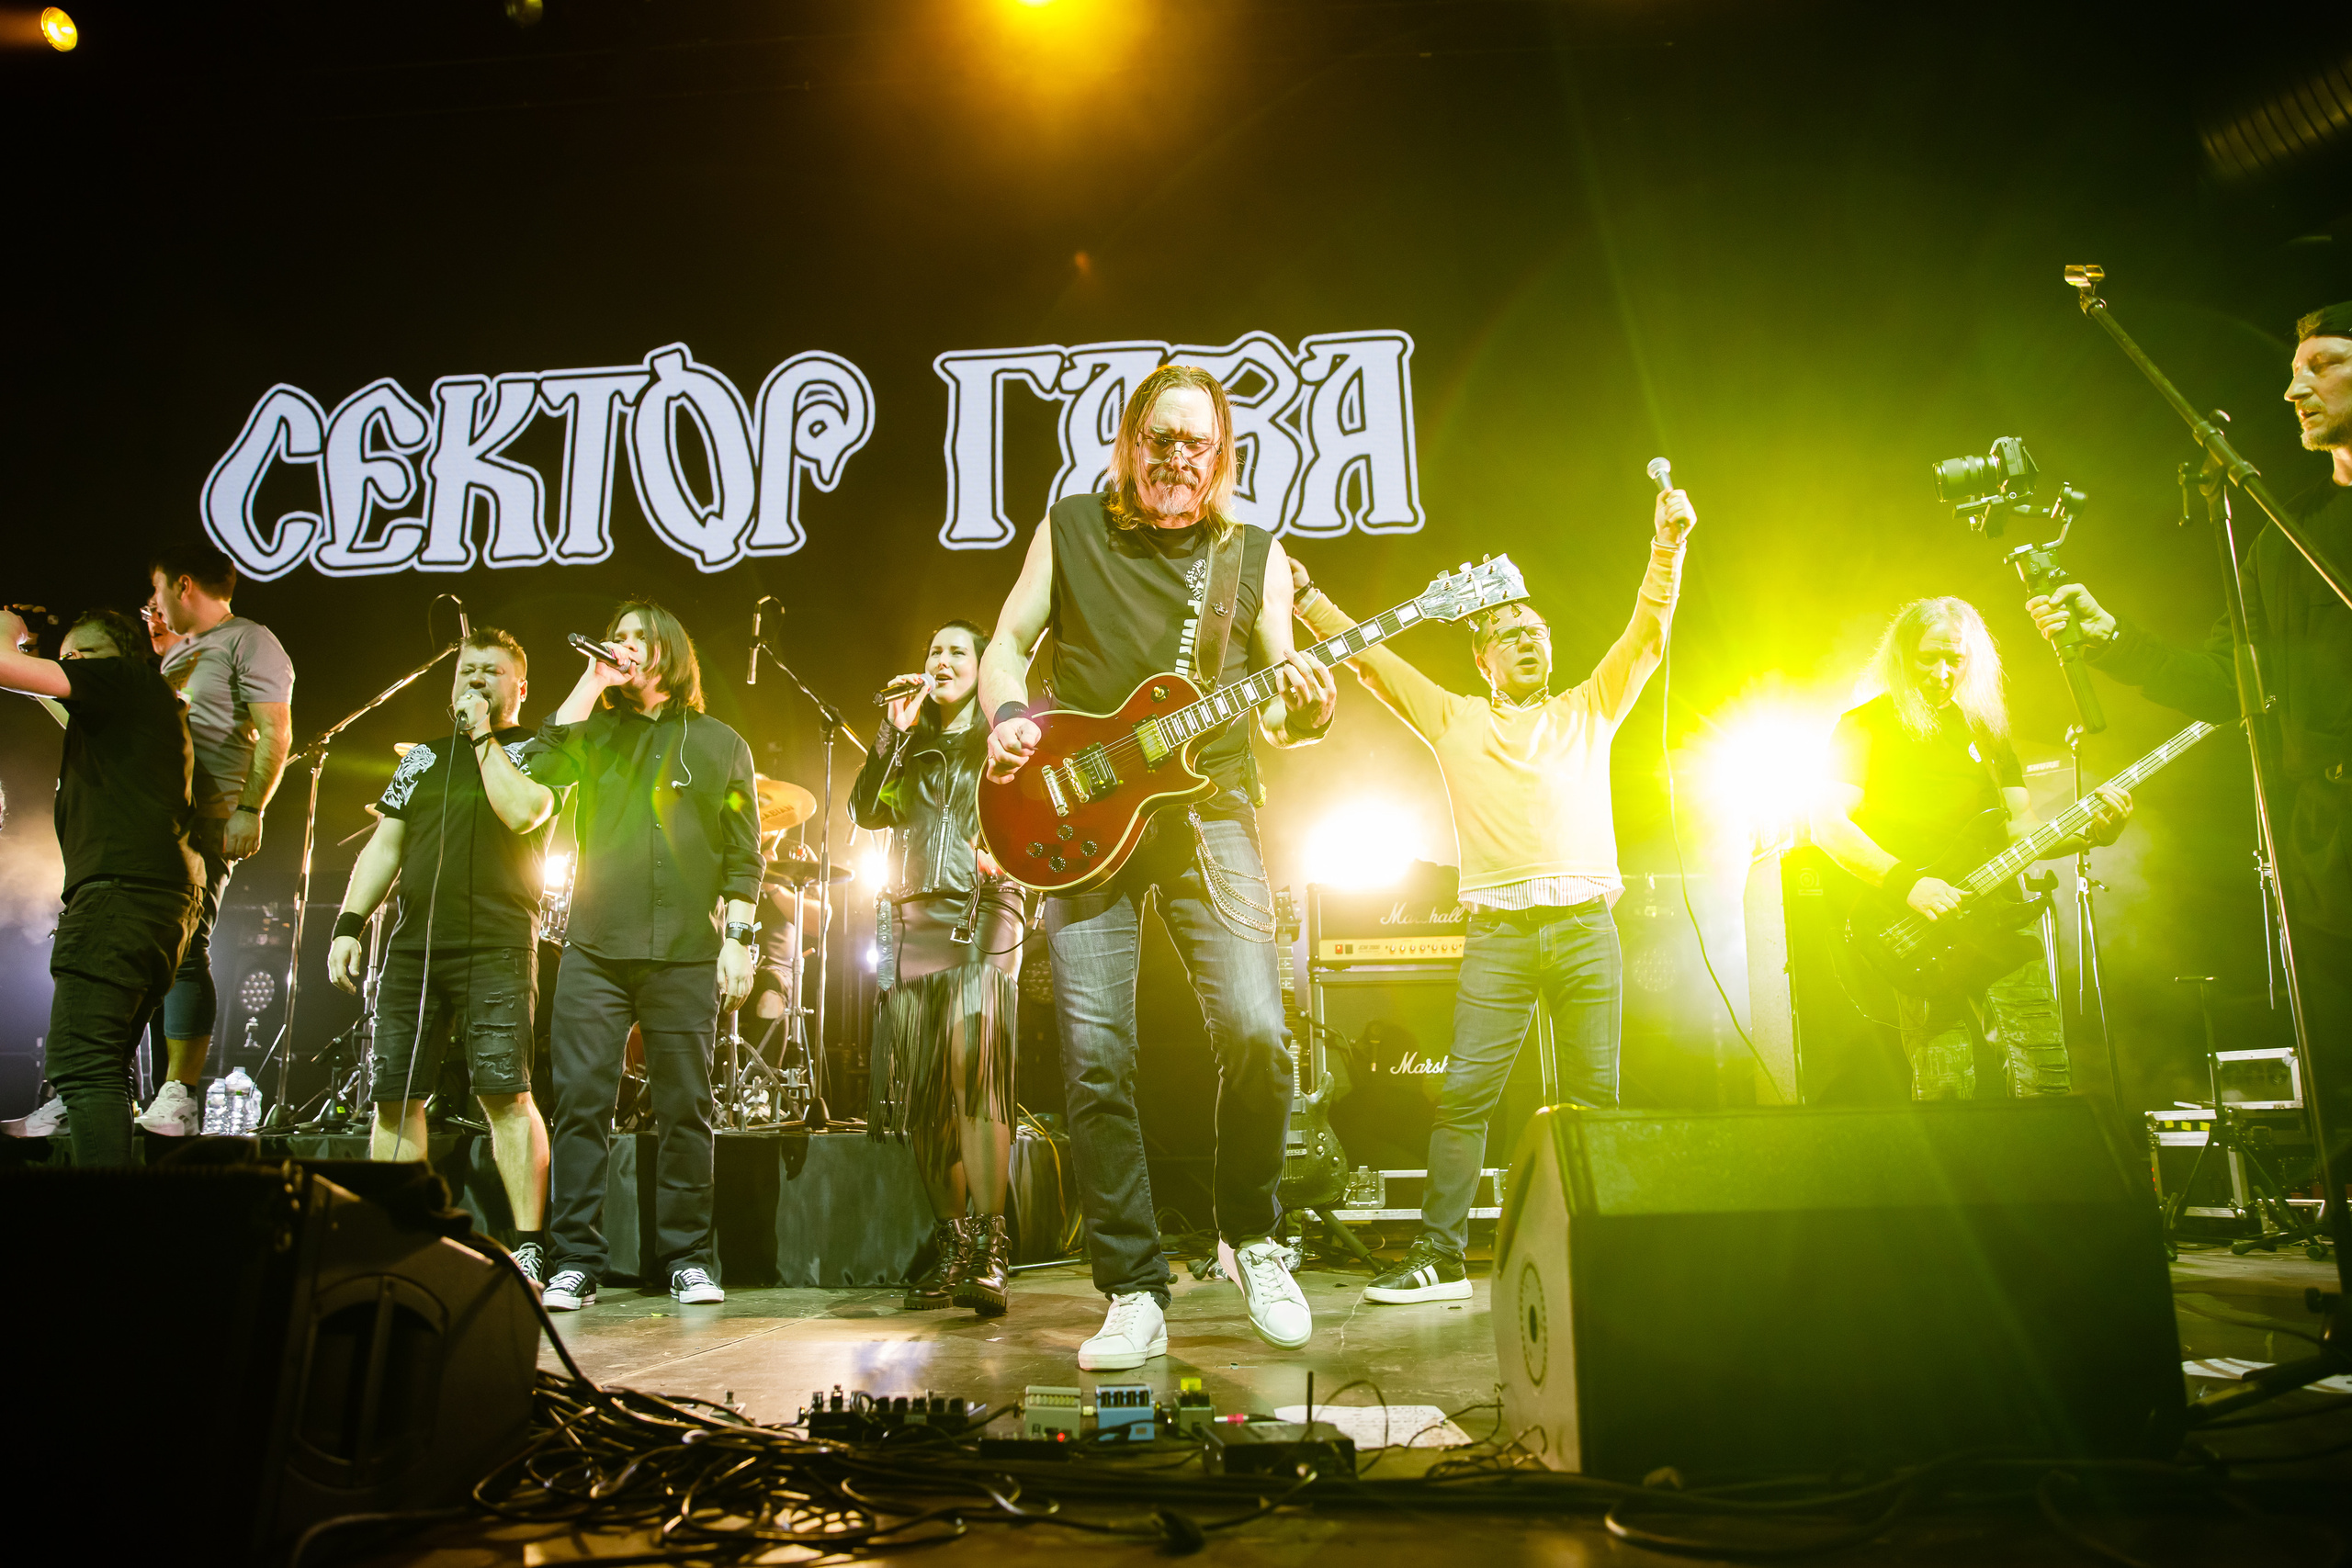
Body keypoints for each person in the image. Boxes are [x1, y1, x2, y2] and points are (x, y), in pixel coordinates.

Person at [979, 364, 1340, 1371]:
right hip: (1082, 816)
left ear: (1220, 456)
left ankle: (1252, 1234)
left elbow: (1276, 696)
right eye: (1160, 438)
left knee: (1262, 1035)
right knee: (1097, 1061)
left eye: (1198, 443)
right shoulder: (1071, 527)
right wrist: (1008, 718)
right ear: (1129, 441)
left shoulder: (1252, 554)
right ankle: (1133, 1288)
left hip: (1210, 807)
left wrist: (1308, 705)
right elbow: (1005, 645)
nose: (1178, 458)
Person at [1291, 484, 1696, 1306]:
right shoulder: (1454, 717)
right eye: (1508, 633)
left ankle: (1599, 1247)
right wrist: (1306, 600)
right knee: (1466, 1096)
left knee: (1594, 1103)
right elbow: (1371, 662)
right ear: (1484, 657)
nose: (1526, 639)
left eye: (1536, 630)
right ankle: (1439, 1256)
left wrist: (1667, 545)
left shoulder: (1591, 707)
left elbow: (1648, 636)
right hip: (1501, 937)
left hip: (1586, 928)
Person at [2028, 299, 2352, 1174]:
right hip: (2327, 843)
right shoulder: (2286, 540)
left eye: (2321, 363)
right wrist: (2113, 640)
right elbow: (2225, 685)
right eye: (2293, 369)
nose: (2295, 387)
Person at [514, 603, 763, 1311]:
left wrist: (739, 941)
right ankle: (576, 1260)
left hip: (686, 952)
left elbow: (745, 858)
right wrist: (591, 681)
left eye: (632, 638)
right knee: (582, 1104)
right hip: (594, 948)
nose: (620, 646)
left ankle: (685, 1256)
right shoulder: (592, 731)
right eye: (614, 637)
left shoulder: (720, 744)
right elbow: (536, 757)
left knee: (687, 1107)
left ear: (668, 652)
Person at [1812, 597, 2131, 1103]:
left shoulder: (1987, 730)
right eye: (1928, 657)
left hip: (2000, 918)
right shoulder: (1864, 725)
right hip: (1917, 924)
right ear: (1900, 656)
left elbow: (2021, 828)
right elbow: (1826, 824)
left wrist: (2094, 833)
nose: (1942, 672)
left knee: (2044, 1072)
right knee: (1945, 1085)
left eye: (1954, 659)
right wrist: (1908, 884)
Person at [325, 628, 557, 1282]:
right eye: (465, 671)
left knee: (504, 1092)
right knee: (395, 1095)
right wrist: (348, 923)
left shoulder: (539, 751)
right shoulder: (420, 759)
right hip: (413, 947)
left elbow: (521, 814)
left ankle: (531, 1243)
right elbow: (384, 846)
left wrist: (484, 737)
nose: (475, 680)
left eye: (491, 671)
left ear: (520, 686)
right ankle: (398, 1239)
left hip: (498, 942)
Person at [853, 619, 1027, 1316]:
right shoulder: (910, 740)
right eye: (933, 650)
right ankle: (953, 1242)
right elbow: (867, 810)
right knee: (925, 1086)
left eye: (958, 650)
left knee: (972, 1063)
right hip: (914, 914)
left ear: (984, 666)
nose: (942, 659)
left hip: (985, 904)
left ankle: (992, 1244)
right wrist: (893, 734)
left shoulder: (1000, 736)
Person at [0, 607, 203, 1165]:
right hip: (154, 899)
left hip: (120, 896)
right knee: (103, 1066)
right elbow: (41, 689)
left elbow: (3, 667)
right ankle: (114, 1226)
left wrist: (8, 627)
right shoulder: (132, 711)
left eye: (80, 655)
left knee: (83, 1064)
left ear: (118, 658)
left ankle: (102, 1230)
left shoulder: (127, 682)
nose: (69, 666)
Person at [134, 542, 294, 1137]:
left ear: (182, 584)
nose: (150, 606)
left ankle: (180, 1091)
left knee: (185, 949)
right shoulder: (182, 651)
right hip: (154, 818)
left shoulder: (249, 639)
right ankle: (114, 1084)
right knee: (143, 950)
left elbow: (275, 728)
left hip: (206, 819)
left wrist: (249, 806)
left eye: (155, 592)